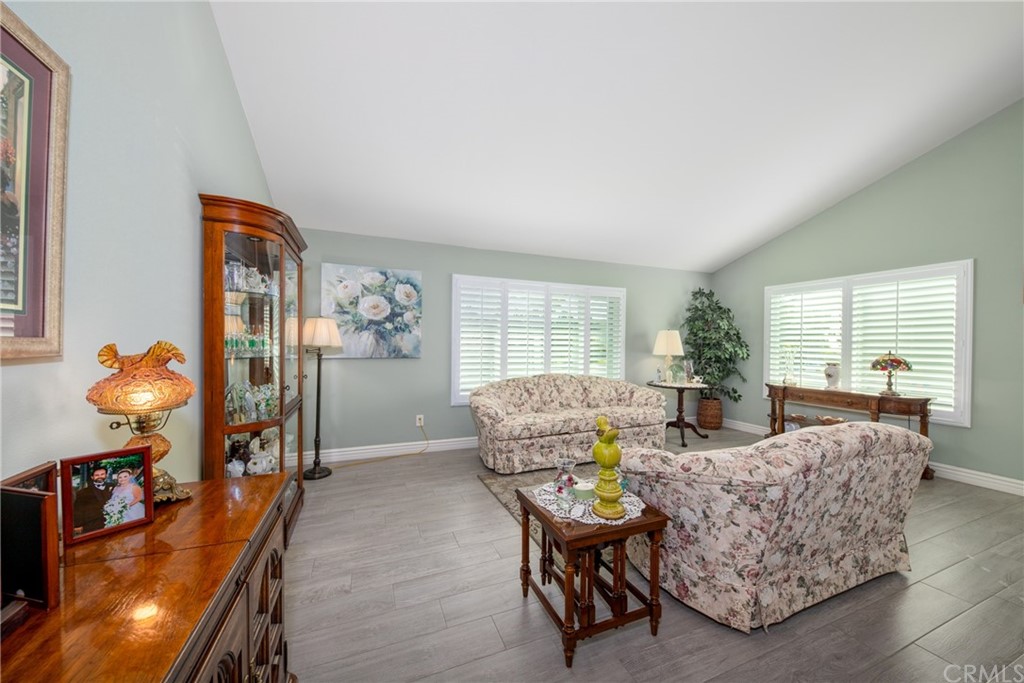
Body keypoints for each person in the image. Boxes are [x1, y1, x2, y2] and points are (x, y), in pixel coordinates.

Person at [73, 465, 112, 535]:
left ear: (106, 475)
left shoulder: (113, 486)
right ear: (92, 477)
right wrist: (77, 526)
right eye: (97, 475)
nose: (100, 477)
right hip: (92, 526)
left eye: (102, 474)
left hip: (111, 523)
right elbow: (78, 510)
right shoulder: (82, 492)